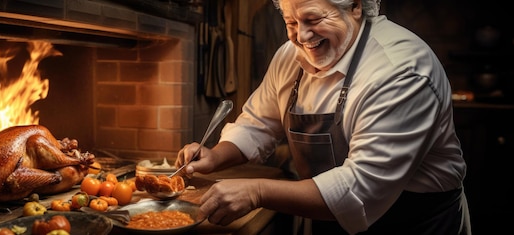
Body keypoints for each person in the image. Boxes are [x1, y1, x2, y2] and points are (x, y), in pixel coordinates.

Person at [175, 0, 471, 234]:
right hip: (326, 217)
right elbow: (258, 124)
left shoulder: (400, 71)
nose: (301, 36)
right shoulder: (289, 56)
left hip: (412, 222)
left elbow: (359, 189)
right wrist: (215, 156)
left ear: (355, 6)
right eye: (291, 22)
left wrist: (257, 191)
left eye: (313, 20)